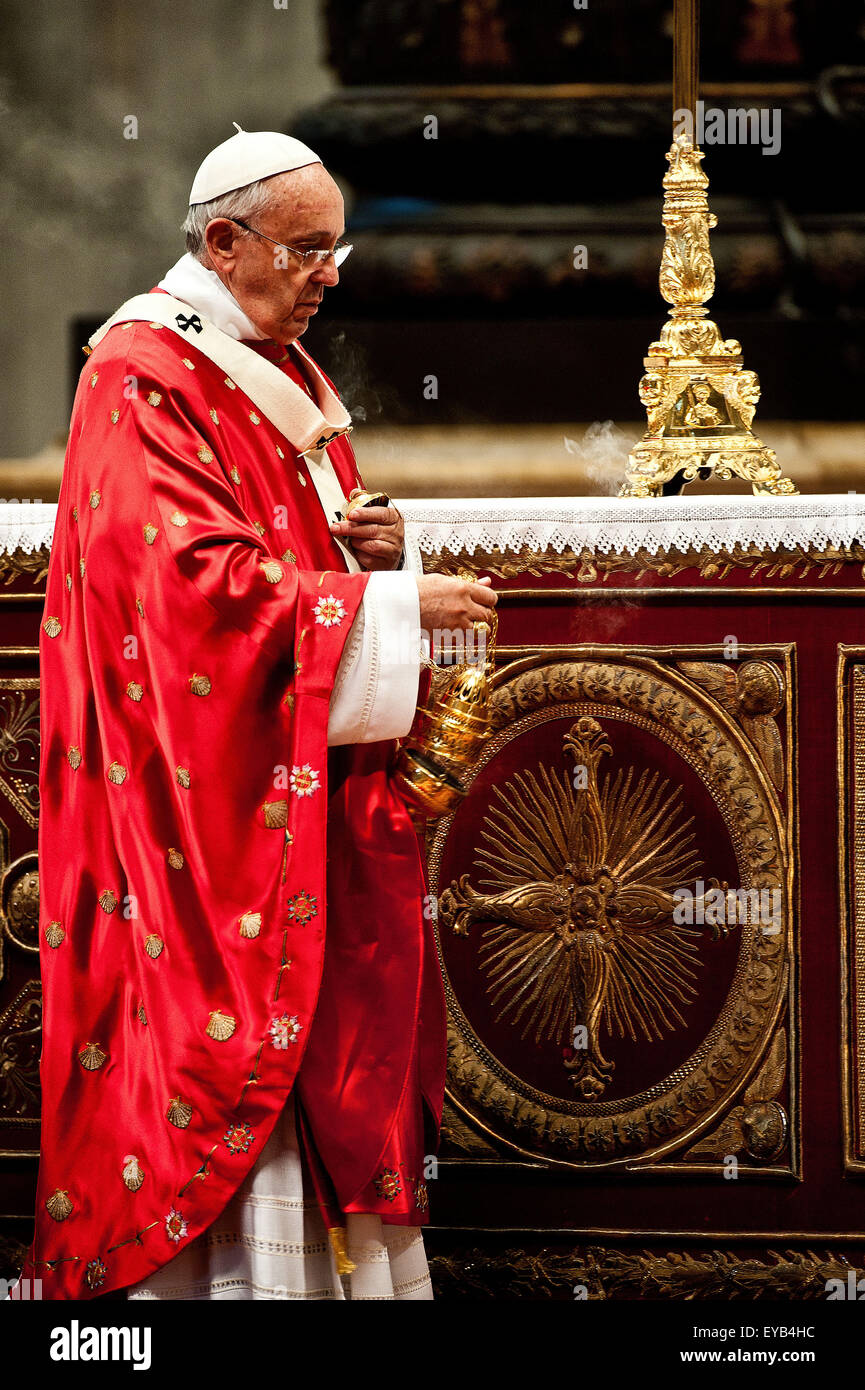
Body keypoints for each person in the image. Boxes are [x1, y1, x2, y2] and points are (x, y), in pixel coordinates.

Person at [14, 127, 497, 1301]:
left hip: (294, 795)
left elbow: (281, 547)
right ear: (223, 244)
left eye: (338, 250)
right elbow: (185, 597)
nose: (329, 273)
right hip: (196, 820)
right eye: (308, 249)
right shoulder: (138, 373)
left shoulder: (280, 361)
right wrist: (385, 608)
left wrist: (371, 549)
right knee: (213, 1053)